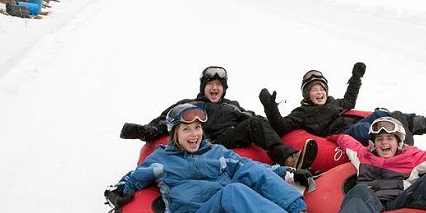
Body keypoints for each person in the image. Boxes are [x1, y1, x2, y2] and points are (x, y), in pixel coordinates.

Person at [105, 104, 325, 213]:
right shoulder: (161, 159)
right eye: (186, 129)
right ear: (174, 133)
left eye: (198, 128)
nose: (194, 134)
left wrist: (289, 173)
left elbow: (251, 168)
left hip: (224, 204)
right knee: (234, 191)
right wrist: (118, 191)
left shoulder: (216, 152)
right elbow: (134, 178)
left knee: (250, 171)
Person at [120, 66, 317, 171]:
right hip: (203, 143)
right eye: (210, 84)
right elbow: (167, 120)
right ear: (203, 87)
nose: (215, 88)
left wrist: (272, 116)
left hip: (229, 138)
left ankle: (290, 159)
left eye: (219, 84)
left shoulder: (231, 105)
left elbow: (254, 120)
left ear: (224, 89)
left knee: (256, 122)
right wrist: (147, 131)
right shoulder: (189, 104)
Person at [258, 63, 426, 146]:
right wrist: (270, 107)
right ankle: (403, 142)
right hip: (340, 136)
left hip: (352, 125)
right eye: (314, 90)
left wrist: (356, 77)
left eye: (321, 89)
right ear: (307, 94)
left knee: (384, 114)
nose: (319, 93)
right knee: (368, 128)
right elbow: (281, 126)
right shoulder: (302, 113)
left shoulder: (334, 103)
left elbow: (349, 100)